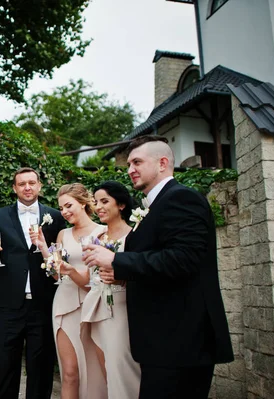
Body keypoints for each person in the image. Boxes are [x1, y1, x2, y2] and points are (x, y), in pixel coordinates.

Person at [83, 136, 233, 399]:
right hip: (162, 342)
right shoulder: (156, 205)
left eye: (137, 162)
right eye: (129, 163)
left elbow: (184, 259)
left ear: (163, 163)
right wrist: (122, 276)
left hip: (180, 340)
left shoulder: (183, 198)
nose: (130, 169)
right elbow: (159, 262)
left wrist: (116, 260)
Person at [0, 167, 66, 399]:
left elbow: (60, 256)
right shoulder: (0, 215)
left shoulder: (55, 216)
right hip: (9, 302)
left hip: (43, 301)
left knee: (41, 364)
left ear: (39, 186)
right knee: (7, 363)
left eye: (31, 182)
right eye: (21, 184)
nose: (27, 187)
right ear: (14, 188)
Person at [31, 183, 107, 399]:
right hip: (64, 303)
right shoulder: (63, 234)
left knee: (96, 370)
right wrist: (44, 246)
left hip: (93, 304)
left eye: (68, 206)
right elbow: (56, 274)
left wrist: (70, 270)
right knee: (70, 372)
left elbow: (94, 280)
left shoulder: (102, 232)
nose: (64, 212)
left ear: (83, 203)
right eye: (61, 208)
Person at [80, 181, 141, 399]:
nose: (98, 207)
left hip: (122, 310)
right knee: (102, 370)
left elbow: (143, 270)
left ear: (121, 204)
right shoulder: (97, 238)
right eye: (96, 202)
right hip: (95, 309)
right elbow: (90, 278)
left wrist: (121, 278)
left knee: (122, 369)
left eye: (105, 201)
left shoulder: (134, 235)